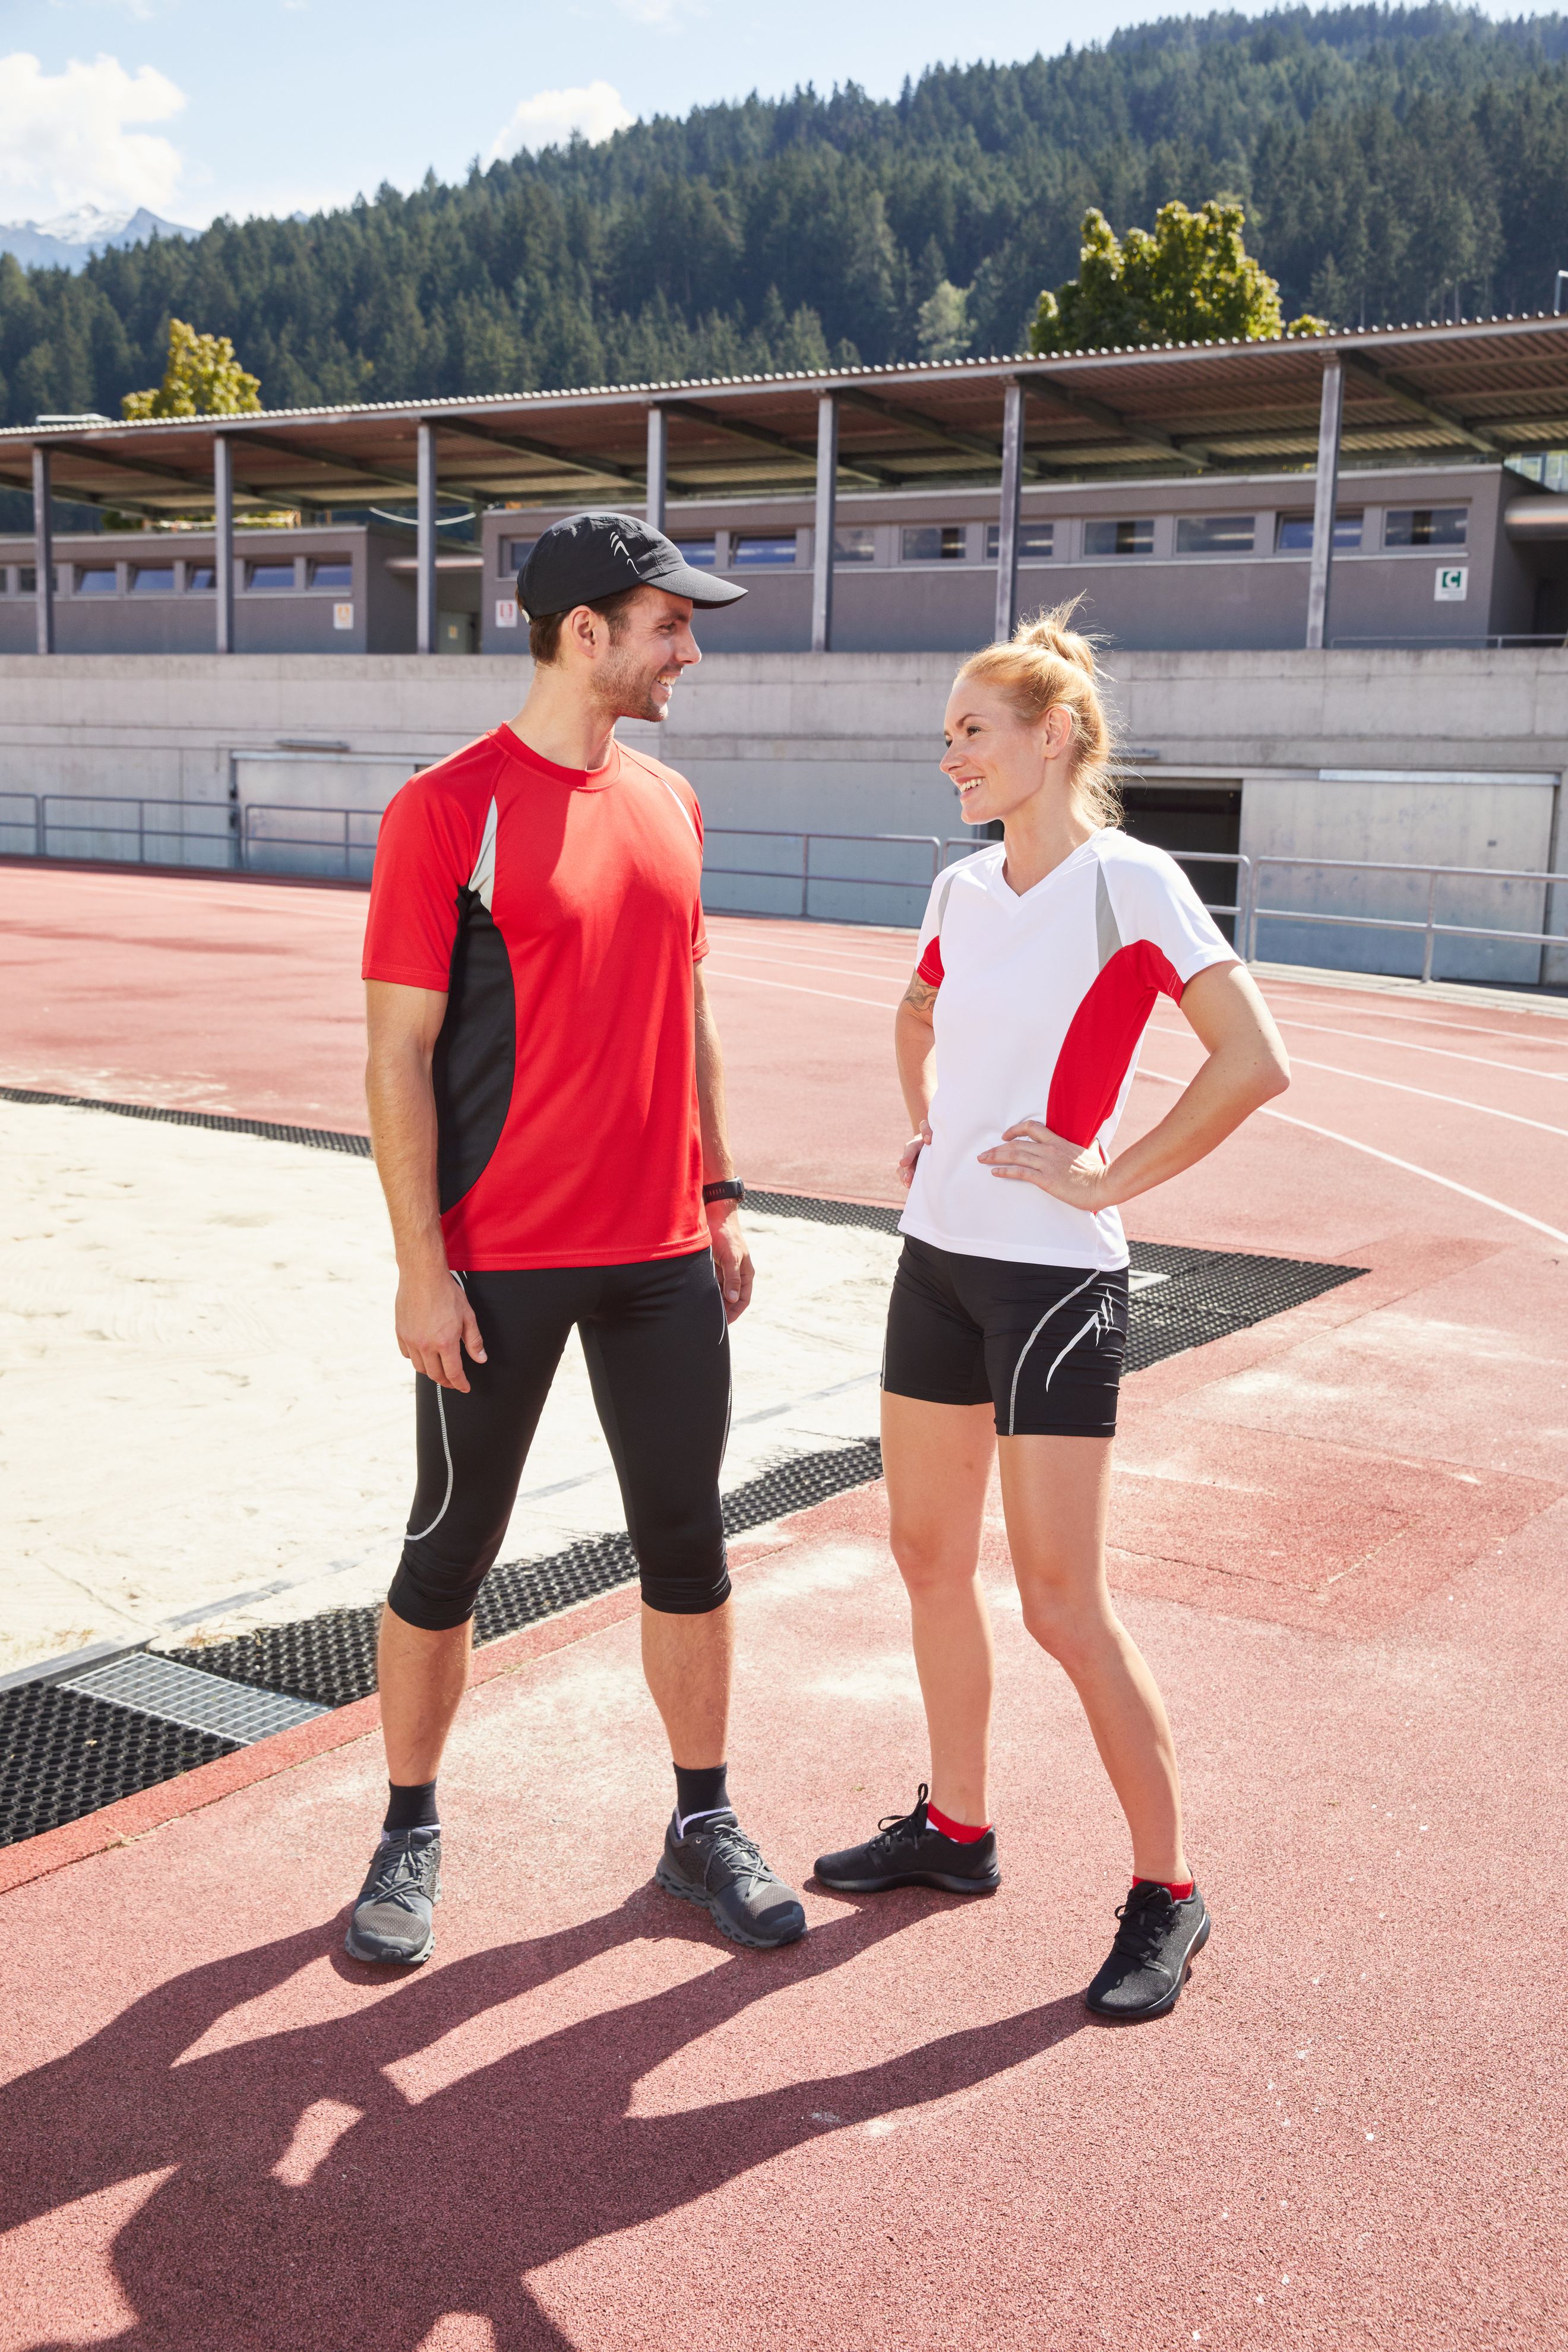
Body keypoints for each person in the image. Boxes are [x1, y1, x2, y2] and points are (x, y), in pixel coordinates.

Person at [814, 605, 1290, 2021]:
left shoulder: (1130, 883)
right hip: (938, 1260)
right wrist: (928, 1129)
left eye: (973, 732)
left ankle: (1170, 1893)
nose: (951, 757)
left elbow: (1254, 1060)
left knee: (1064, 1606)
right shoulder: (963, 891)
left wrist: (1109, 1174)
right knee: (921, 1555)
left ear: (1052, 737)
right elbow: (918, 1017)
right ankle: (955, 1831)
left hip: (1057, 1280)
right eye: (948, 736)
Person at [345, 511, 806, 1966]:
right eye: (672, 623)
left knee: (687, 1544)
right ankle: (409, 1824)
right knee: (451, 1553)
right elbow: (396, 1060)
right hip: (497, 1267)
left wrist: (719, 1195)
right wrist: (422, 1265)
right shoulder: (445, 810)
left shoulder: (670, 802)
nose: (691, 650)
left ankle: (701, 1824)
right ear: (583, 631)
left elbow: (695, 1014)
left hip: (662, 1254)